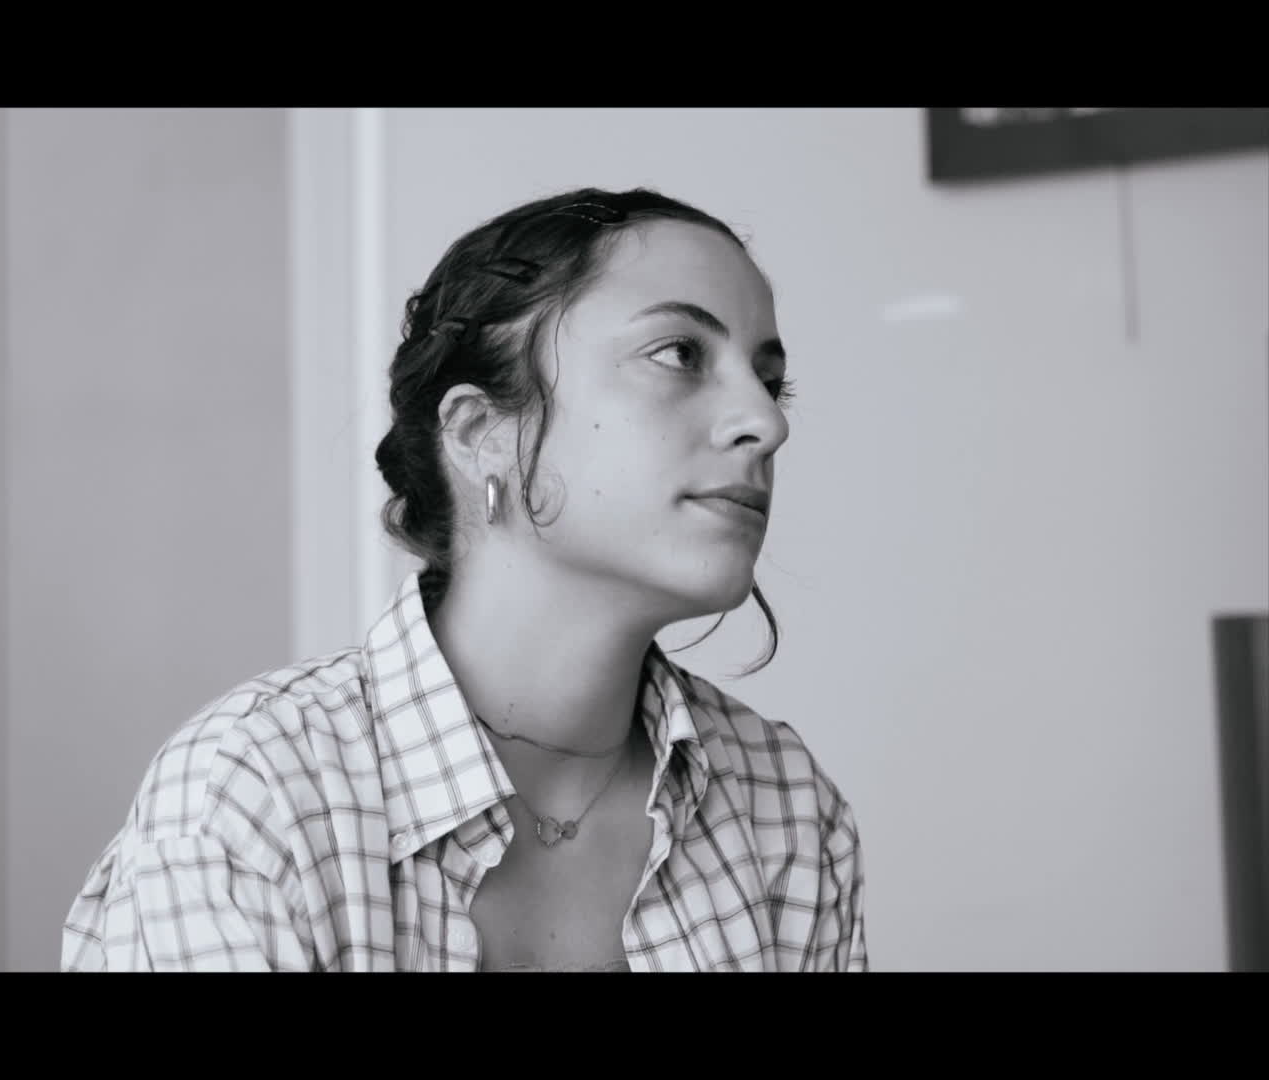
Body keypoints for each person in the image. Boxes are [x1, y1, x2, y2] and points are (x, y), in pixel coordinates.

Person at [60, 186, 868, 972]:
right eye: (680, 355)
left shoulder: (787, 805)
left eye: (771, 381)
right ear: (482, 433)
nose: (768, 422)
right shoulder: (253, 797)